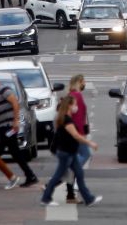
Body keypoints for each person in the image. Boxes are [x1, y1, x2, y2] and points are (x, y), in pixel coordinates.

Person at [40, 96, 102, 207]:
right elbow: (76, 135)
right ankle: (46, 198)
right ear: (69, 105)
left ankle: (89, 199)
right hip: (66, 153)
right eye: (74, 104)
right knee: (57, 176)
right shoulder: (66, 119)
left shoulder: (64, 117)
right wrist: (90, 143)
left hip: (71, 152)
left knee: (79, 174)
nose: (76, 107)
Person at [0, 70, 38, 188]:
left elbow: (15, 103)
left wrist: (16, 121)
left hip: (8, 127)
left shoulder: (4, 90)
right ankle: (30, 176)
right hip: (3, 126)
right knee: (7, 152)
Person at [65, 75, 90, 203]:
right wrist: (81, 134)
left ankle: (70, 192)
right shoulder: (78, 96)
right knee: (85, 154)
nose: (85, 83)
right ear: (79, 83)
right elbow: (79, 117)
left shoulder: (71, 94)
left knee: (79, 156)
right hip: (77, 132)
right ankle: (70, 170)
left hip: (72, 132)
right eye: (84, 81)